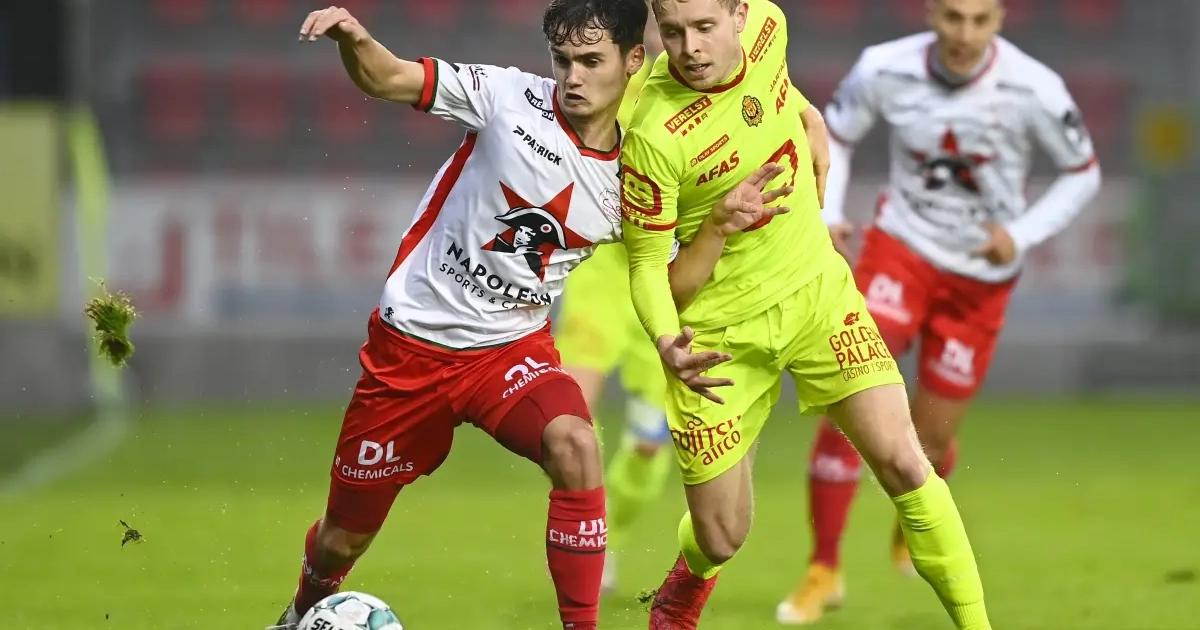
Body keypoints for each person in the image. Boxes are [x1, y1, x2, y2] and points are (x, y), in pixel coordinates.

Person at [268, 3, 791, 630]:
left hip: (509, 352)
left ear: (633, 61)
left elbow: (670, 275)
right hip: (410, 351)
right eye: (563, 61)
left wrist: (717, 226)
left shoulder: (638, 173)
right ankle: (300, 611)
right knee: (342, 539)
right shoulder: (505, 98)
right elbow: (390, 77)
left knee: (575, 444)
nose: (573, 77)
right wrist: (355, 39)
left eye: (591, 61)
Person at [619, 1, 995, 629]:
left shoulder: (771, 26)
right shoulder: (653, 134)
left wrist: (809, 114)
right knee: (722, 535)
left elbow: (774, 90)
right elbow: (653, 273)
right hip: (722, 340)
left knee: (906, 463)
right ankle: (689, 579)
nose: (689, 48)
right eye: (674, 32)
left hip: (818, 297)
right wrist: (667, 331)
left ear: (740, 15)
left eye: (705, 28)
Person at [780, 0, 1102, 623]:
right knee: (848, 407)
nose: (965, 33)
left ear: (1000, 19)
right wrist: (828, 209)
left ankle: (915, 514)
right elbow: (832, 134)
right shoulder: (884, 67)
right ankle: (823, 569)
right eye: (953, 17)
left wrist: (1022, 234)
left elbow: (1081, 173)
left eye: (980, 20)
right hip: (899, 254)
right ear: (932, 13)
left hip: (979, 281)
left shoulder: (1035, 87)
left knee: (928, 441)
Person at [554, 20, 672, 596]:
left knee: (649, 446)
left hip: (667, 285)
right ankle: (589, 535)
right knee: (573, 414)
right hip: (601, 272)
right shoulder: (611, 78)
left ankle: (611, 533)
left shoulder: (709, 91)